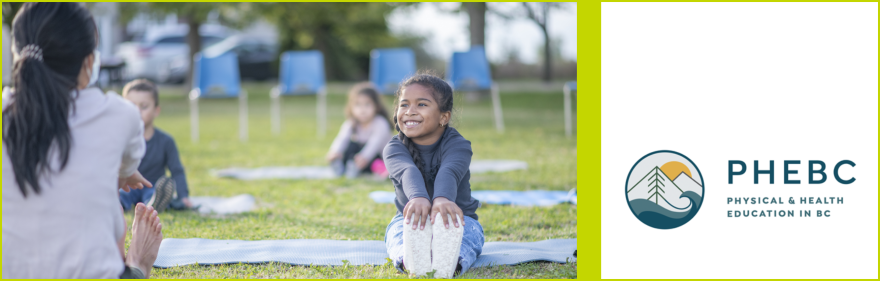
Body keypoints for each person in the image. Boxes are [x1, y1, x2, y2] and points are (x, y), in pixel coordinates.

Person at [2, 3, 162, 278]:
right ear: (89, 63)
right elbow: (126, 167)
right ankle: (136, 264)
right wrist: (123, 173)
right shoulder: (120, 114)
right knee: (111, 202)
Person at [382, 73, 484, 278]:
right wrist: (418, 197)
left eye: (421, 105)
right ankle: (410, 259)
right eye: (404, 105)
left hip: (459, 219)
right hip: (408, 220)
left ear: (443, 117)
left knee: (468, 238)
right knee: (397, 236)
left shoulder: (459, 145)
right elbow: (407, 171)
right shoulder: (394, 147)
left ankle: (450, 261)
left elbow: (450, 171)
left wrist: (442, 199)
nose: (410, 112)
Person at [120, 79, 193, 212]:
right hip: (128, 185)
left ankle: (154, 205)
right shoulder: (119, 140)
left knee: (153, 194)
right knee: (122, 194)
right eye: (132, 106)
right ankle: (117, 205)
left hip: (153, 186)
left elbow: (177, 171)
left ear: (156, 110)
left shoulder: (166, 141)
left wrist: (184, 196)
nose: (137, 111)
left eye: (144, 106)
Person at [326, 82, 393, 178]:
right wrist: (334, 152)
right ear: (351, 107)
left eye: (367, 104)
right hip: (360, 157)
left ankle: (375, 169)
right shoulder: (352, 123)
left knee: (376, 162)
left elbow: (374, 144)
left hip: (377, 156)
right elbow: (342, 138)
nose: (362, 109)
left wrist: (364, 157)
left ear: (376, 106)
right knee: (351, 146)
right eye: (358, 105)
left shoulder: (380, 123)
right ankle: (341, 166)